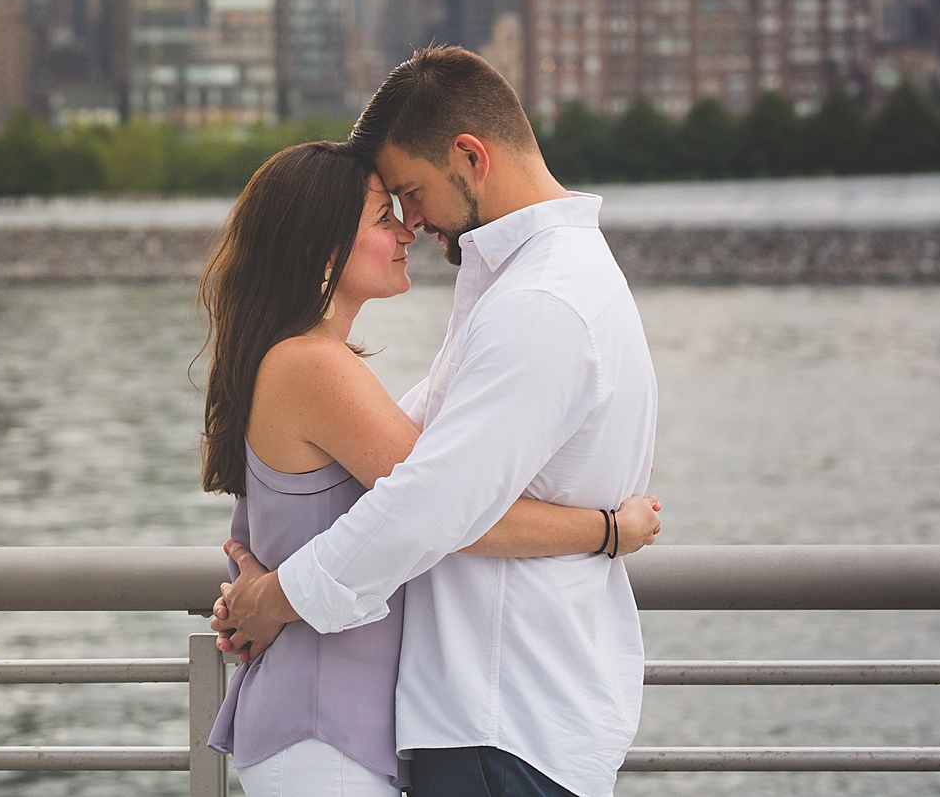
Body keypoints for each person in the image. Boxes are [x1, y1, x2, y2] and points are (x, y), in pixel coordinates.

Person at [213, 45, 660, 797]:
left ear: (470, 157)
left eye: (410, 193)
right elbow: (427, 476)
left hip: (503, 716)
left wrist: (275, 596)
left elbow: (434, 501)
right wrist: (608, 529)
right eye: (388, 207)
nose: (410, 221)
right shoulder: (527, 288)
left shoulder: (541, 302)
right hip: (480, 721)